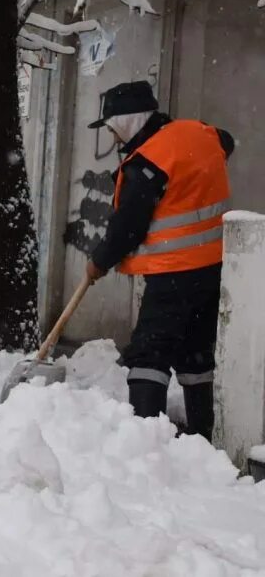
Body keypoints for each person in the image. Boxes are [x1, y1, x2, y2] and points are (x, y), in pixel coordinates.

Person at [85, 81, 234, 441]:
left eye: (112, 128)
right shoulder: (202, 134)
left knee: (149, 352)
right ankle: (201, 431)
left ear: (127, 122)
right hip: (215, 267)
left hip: (174, 271)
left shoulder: (147, 161)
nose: (114, 138)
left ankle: (144, 437)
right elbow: (226, 142)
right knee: (196, 351)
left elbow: (128, 226)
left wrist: (100, 261)